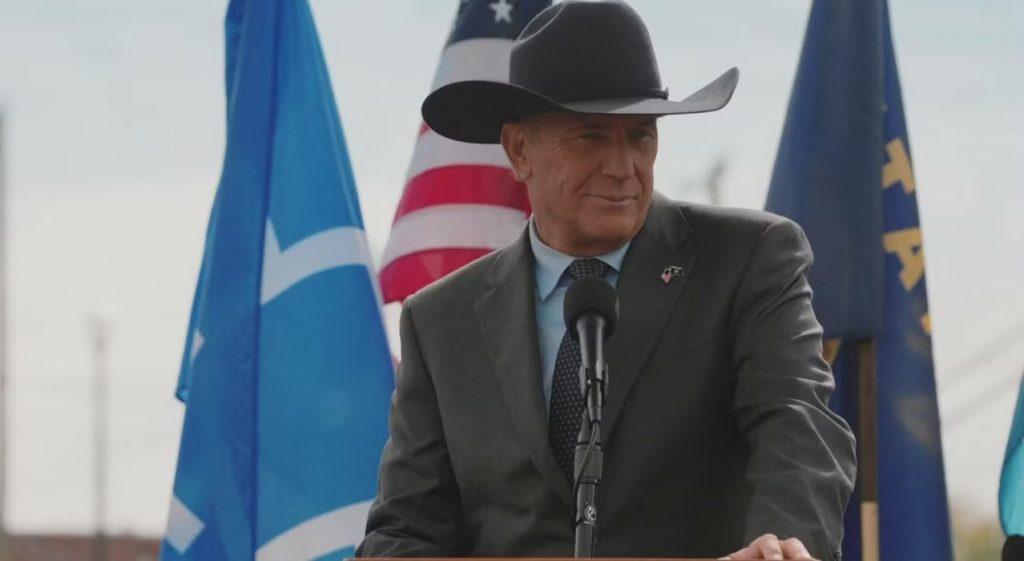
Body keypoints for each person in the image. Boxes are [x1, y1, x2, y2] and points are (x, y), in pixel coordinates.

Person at [356, 2, 856, 560]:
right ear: (520, 150)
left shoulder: (749, 259)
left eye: (640, 135)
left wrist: (780, 549)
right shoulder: (440, 320)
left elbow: (798, 426)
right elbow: (403, 531)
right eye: (591, 136)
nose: (622, 166)